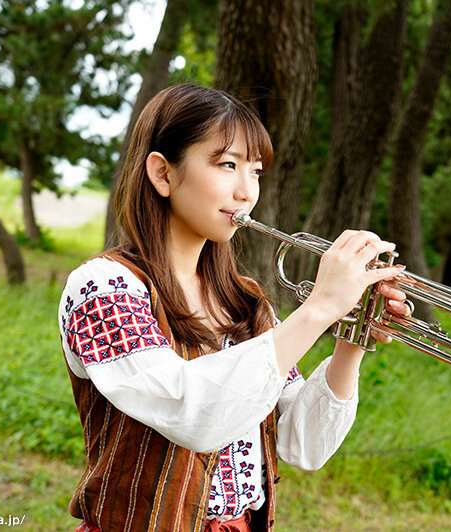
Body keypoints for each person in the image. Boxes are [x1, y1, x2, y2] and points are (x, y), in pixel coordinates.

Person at [58, 83, 411, 532]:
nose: (247, 191)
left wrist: (352, 338)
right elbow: (193, 416)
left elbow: (303, 444)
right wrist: (320, 308)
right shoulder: (103, 287)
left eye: (256, 171)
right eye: (228, 164)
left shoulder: (245, 300)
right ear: (163, 173)